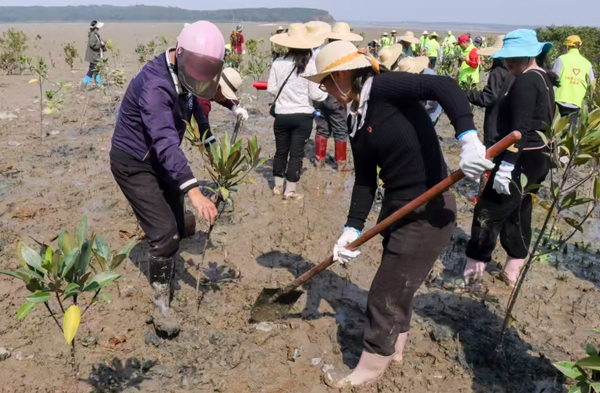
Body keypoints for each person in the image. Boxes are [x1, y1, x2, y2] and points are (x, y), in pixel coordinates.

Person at [305, 40, 494, 387]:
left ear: (346, 73)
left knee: (384, 292)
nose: (325, 90)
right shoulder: (354, 118)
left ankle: (369, 369)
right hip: (397, 208)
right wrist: (350, 228)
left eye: (327, 81)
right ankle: (395, 351)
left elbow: (444, 85)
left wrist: (468, 138)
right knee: (399, 285)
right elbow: (364, 181)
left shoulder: (384, 87)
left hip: (429, 209)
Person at [110, 21, 225, 333]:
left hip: (160, 161)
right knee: (165, 234)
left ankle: (177, 224)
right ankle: (161, 304)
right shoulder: (155, 85)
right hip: (134, 163)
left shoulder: (185, 76)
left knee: (179, 225)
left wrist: (213, 144)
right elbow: (163, 140)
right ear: (180, 54)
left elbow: (196, 109)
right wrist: (194, 190)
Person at [464, 30, 558, 288]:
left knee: (487, 211)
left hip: (520, 158)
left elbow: (521, 129)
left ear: (529, 56)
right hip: (537, 157)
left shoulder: (526, 81)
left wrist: (506, 165)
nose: (507, 64)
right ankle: (512, 271)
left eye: (513, 59)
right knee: (519, 211)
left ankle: (472, 275)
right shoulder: (544, 78)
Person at [268, 24, 327, 199]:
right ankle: (290, 190)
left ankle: (277, 187)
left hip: (282, 115)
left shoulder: (278, 63)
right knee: (296, 153)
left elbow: (271, 89)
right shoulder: (310, 65)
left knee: (281, 151)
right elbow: (315, 94)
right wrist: (327, 92)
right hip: (303, 116)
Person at [313, 22, 362, 170]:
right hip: (336, 95)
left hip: (319, 94)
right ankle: (341, 164)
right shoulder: (345, 53)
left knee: (322, 128)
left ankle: (318, 161)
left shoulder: (320, 50)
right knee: (340, 129)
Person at [465, 35, 512, 148]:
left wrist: (467, 93)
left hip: (495, 125)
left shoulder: (498, 71)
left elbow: (489, 98)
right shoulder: (516, 70)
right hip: (509, 124)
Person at [553, 35, 595, 118]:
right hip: (577, 104)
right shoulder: (587, 63)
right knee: (571, 129)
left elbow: (553, 80)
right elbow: (592, 86)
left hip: (559, 102)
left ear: (567, 46)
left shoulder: (561, 59)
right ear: (580, 48)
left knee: (557, 129)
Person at [83, 20, 106, 86]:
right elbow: (92, 44)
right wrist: (100, 44)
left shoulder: (95, 34)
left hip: (95, 55)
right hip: (93, 56)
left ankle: (98, 84)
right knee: (91, 71)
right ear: (96, 27)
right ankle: (84, 84)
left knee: (96, 71)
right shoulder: (93, 34)